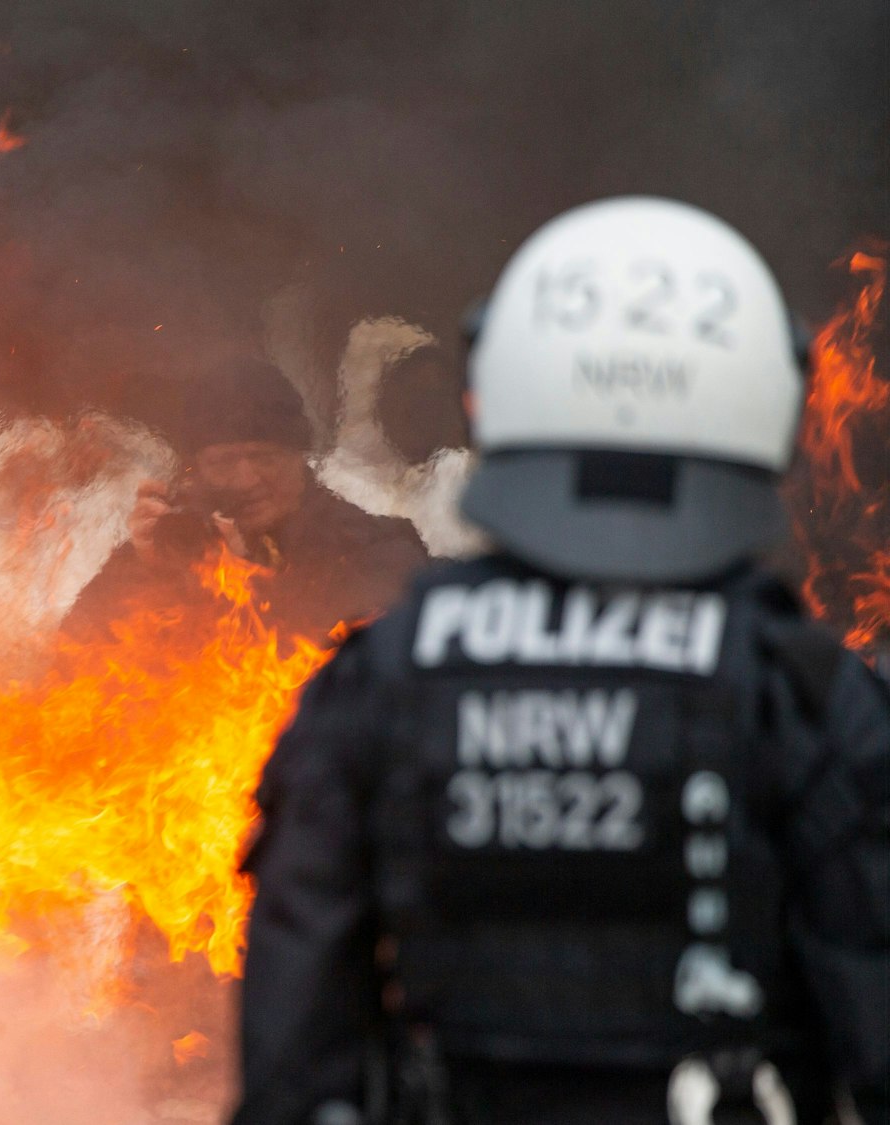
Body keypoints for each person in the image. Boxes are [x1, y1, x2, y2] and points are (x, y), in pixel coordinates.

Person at [232, 197, 890, 1125]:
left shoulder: (380, 678)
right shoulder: (805, 692)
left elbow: (294, 1054)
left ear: (496, 392)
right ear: (762, 405)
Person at [66, 357, 426, 644]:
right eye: (223, 463)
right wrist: (150, 571)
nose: (246, 480)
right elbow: (73, 660)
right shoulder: (169, 546)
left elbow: (356, 662)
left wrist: (245, 583)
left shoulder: (367, 547)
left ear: (298, 458)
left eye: (264, 458)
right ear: (196, 470)